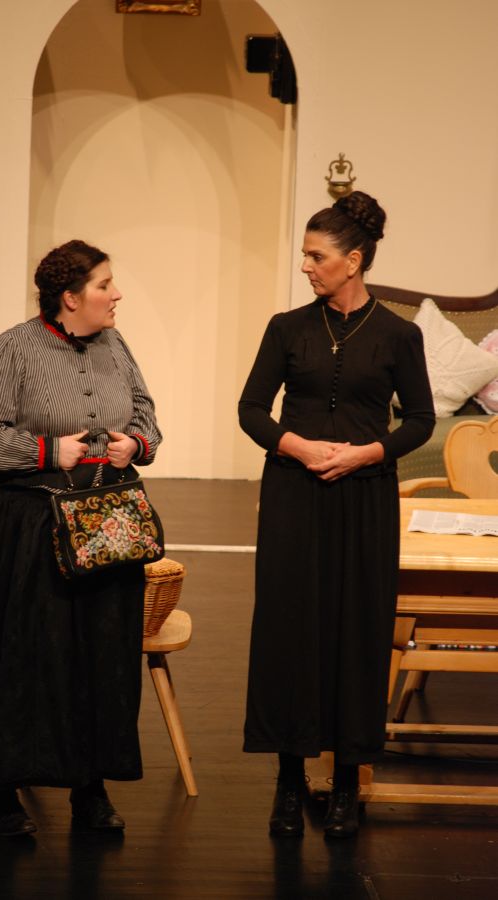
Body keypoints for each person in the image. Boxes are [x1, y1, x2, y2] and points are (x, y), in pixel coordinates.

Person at [0, 239, 162, 837]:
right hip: (28, 524)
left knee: (101, 657)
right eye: (104, 285)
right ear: (70, 297)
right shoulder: (10, 348)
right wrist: (46, 451)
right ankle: (3, 791)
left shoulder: (115, 345)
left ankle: (91, 788)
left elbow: (145, 411)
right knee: (23, 656)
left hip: (104, 521)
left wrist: (135, 444)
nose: (116, 295)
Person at [238, 191, 434, 839]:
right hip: (294, 495)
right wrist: (296, 446)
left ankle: (347, 781)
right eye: (305, 255)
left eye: (316, 256)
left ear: (353, 261)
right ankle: (289, 779)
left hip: (364, 498)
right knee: (290, 628)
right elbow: (251, 410)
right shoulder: (287, 328)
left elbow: (420, 420)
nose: (306, 266)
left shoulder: (399, 335)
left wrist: (365, 454)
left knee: (357, 629)